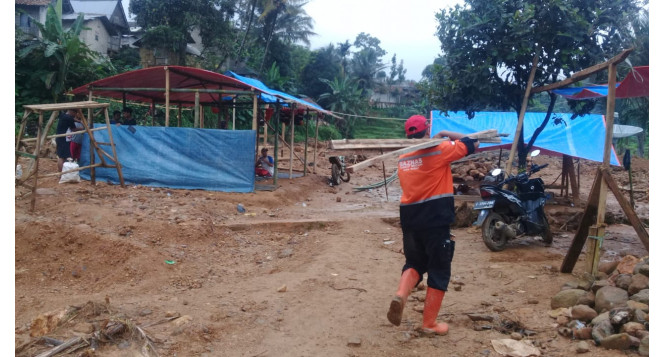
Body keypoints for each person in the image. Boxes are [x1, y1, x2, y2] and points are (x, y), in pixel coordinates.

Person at [386, 114, 479, 336]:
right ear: (427, 131)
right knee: (439, 267)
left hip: (409, 216)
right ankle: (429, 324)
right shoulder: (440, 150)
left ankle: (401, 294)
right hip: (435, 217)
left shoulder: (403, 158)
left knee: (414, 261)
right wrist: (444, 135)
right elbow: (474, 142)